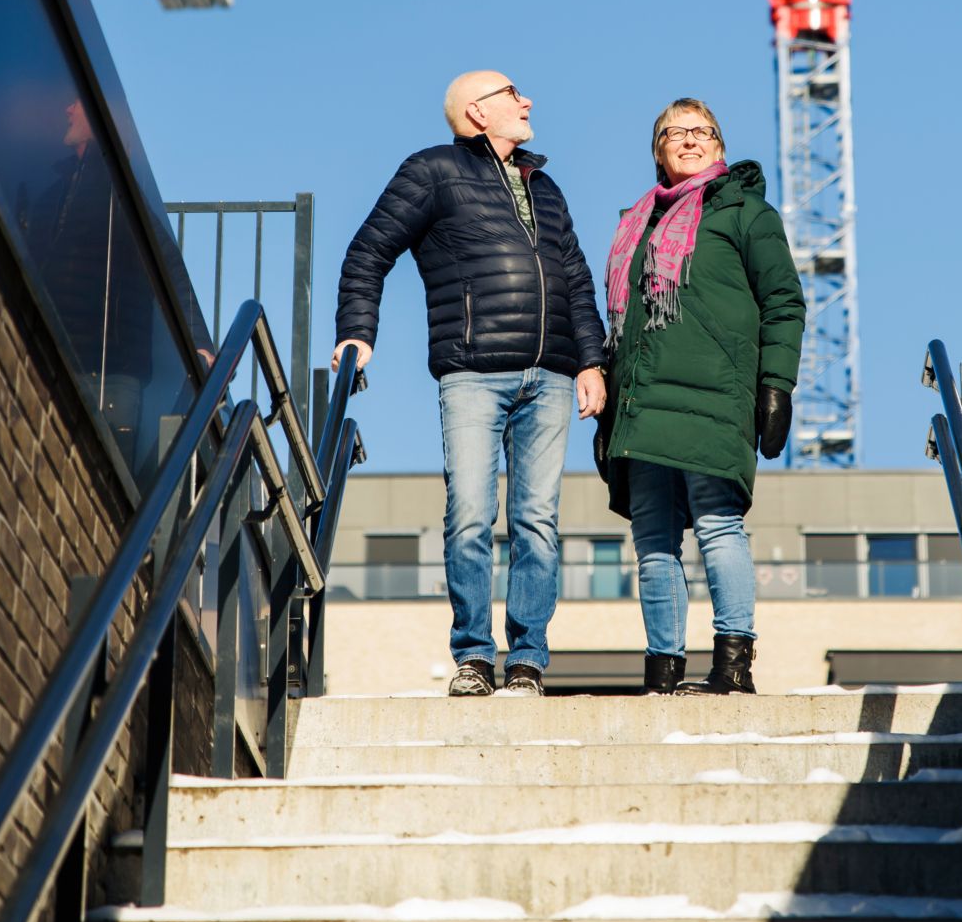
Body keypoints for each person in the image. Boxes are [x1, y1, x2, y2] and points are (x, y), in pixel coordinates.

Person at [334, 71, 607, 696]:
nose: (528, 100)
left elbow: (577, 278)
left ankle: (528, 659)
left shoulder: (546, 186)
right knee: (470, 516)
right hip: (472, 375)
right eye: (514, 92)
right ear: (477, 111)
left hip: (553, 376)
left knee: (537, 520)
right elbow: (368, 251)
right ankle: (474, 657)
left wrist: (591, 361)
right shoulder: (432, 170)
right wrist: (357, 331)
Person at [595, 98, 805, 695]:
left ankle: (733, 665)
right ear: (657, 150)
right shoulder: (636, 224)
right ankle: (662, 672)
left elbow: (783, 302)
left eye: (701, 132)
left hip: (714, 396)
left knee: (717, 525)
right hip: (641, 406)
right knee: (653, 540)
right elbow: (621, 325)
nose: (689, 141)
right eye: (674, 133)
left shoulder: (745, 212)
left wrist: (776, 387)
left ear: (719, 145)